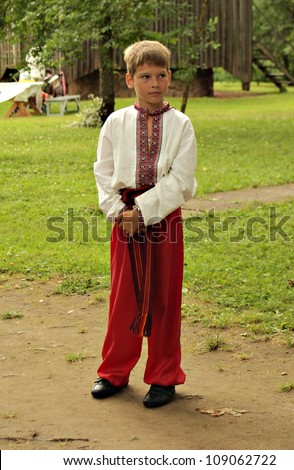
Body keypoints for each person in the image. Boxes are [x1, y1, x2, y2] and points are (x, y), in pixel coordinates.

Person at [91, 40, 197, 408]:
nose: (154, 83)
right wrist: (121, 213)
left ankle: (163, 376)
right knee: (124, 296)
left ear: (170, 77)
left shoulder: (181, 124)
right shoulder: (115, 122)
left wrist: (145, 209)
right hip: (124, 221)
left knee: (164, 297)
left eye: (161, 75)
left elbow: (182, 180)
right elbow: (103, 173)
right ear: (129, 80)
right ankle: (114, 371)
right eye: (145, 76)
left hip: (164, 217)